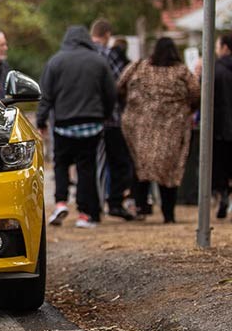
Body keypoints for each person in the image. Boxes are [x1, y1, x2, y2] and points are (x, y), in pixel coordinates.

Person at [37, 25, 117, 228]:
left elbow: (46, 94)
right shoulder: (99, 62)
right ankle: (84, 213)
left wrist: (41, 120)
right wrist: (105, 115)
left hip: (64, 123)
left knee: (61, 164)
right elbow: (110, 93)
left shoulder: (56, 61)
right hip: (91, 124)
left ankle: (61, 202)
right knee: (86, 168)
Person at [118, 37, 200, 224]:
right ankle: (168, 214)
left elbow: (120, 85)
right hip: (171, 128)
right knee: (168, 171)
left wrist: (132, 105)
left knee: (142, 166)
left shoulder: (140, 67)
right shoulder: (181, 71)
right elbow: (196, 93)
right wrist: (186, 109)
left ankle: (140, 207)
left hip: (140, 127)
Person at [90, 19, 135, 221]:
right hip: (112, 118)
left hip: (89, 116)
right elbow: (119, 84)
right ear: (107, 35)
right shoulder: (109, 55)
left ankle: (94, 206)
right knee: (119, 163)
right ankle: (114, 202)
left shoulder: (84, 55)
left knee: (94, 164)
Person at [213, 35, 232, 218]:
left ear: (225, 48)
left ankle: (223, 194)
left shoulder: (215, 70)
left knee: (220, 167)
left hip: (220, 128)